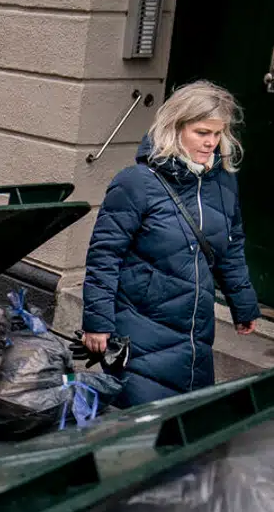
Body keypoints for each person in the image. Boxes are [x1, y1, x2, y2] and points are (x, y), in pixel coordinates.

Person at [81, 80, 261, 407]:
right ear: (175, 128)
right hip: (140, 329)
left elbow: (231, 248)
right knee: (138, 425)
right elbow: (104, 256)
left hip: (194, 334)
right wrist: (97, 323)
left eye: (217, 134)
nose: (211, 143)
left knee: (183, 427)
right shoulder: (136, 183)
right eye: (202, 133)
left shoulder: (222, 182)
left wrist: (243, 303)